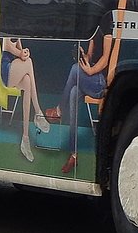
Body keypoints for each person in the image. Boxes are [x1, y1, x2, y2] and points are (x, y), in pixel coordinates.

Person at [44, 20, 113, 175]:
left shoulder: (107, 26)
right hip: (89, 79)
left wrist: (90, 70)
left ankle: (60, 110)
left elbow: (105, 59)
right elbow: (90, 55)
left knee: (75, 70)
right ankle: (73, 155)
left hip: (99, 82)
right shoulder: (93, 28)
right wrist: (84, 56)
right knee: (74, 91)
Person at [0, 36, 51, 163]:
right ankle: (38, 112)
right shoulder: (5, 26)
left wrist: (24, 52)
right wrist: (21, 54)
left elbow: (20, 51)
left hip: (14, 69)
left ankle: (25, 138)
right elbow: (7, 46)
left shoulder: (17, 33)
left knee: (28, 81)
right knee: (29, 63)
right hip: (6, 70)